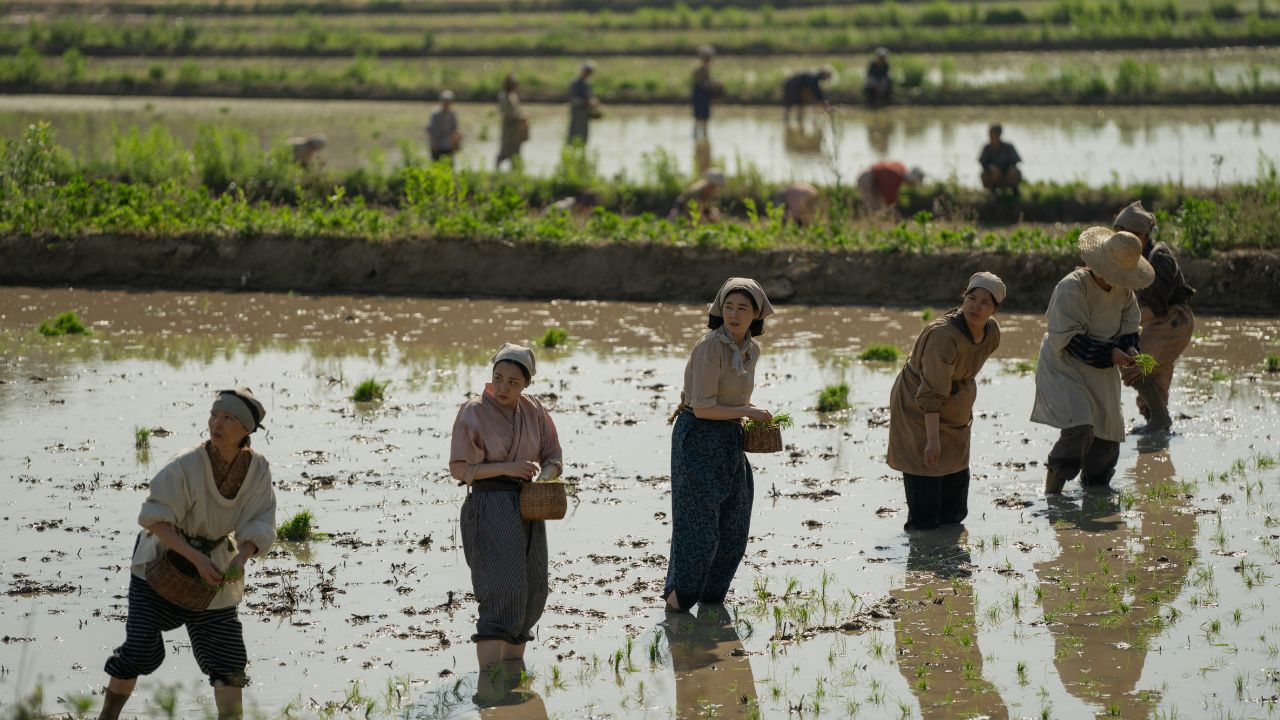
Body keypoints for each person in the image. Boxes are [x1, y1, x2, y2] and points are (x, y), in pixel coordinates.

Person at [97, 388, 276, 720]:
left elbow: (260, 519)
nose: (216, 423)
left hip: (216, 569)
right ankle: (107, 717)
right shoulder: (186, 463)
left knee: (228, 661)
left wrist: (242, 556)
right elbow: (155, 519)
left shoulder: (258, 469)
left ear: (245, 430)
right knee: (137, 652)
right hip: (160, 562)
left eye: (228, 418)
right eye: (214, 415)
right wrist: (195, 558)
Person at [449, 343, 563, 672]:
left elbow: (553, 456)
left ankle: (512, 677)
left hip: (528, 506)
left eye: (513, 382)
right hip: (489, 504)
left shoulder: (534, 410)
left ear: (527, 383)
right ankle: (489, 684)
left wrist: (544, 478)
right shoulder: (472, 411)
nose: (503, 387)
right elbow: (458, 468)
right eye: (498, 378)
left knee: (533, 589)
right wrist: (508, 468)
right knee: (502, 589)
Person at [664, 278, 775, 612]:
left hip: (729, 437)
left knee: (734, 527)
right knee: (698, 529)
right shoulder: (712, 346)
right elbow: (702, 407)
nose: (734, 314)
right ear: (719, 309)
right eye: (728, 307)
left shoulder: (751, 349)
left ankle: (711, 601)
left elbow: (736, 398)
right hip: (697, 437)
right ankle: (678, 607)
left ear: (756, 314)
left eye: (743, 308)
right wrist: (748, 411)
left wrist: (749, 414)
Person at [1031, 227, 1154, 494]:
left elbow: (1129, 329)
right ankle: (1052, 495)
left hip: (1102, 366)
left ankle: (1095, 491)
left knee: (1107, 437)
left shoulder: (1124, 292)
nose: (1114, 279)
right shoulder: (1071, 288)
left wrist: (1131, 351)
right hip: (1065, 364)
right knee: (1080, 428)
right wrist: (1111, 353)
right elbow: (1069, 339)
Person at [887, 272, 1004, 531]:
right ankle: (922, 551)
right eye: (972, 298)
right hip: (919, 402)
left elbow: (968, 368)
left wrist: (959, 395)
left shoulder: (992, 332)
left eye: (985, 302)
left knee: (954, 498)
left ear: (995, 309)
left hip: (955, 403)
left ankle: (948, 546)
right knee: (925, 468)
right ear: (964, 298)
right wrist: (932, 439)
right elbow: (930, 392)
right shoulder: (943, 336)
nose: (976, 306)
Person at [1113, 201, 1196, 434]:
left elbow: (1154, 307)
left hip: (1172, 321)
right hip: (1156, 322)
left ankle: (1160, 420)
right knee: (1154, 375)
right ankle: (1156, 424)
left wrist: (1118, 329)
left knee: (1133, 365)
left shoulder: (1159, 258)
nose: (1120, 241)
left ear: (1141, 235)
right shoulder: (1132, 258)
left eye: (1125, 236)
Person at [856, 161, 925, 212]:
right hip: (866, 180)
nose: (912, 186)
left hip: (871, 178)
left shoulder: (900, 170)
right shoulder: (896, 177)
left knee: (878, 205)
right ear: (911, 180)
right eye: (913, 184)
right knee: (875, 207)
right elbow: (889, 199)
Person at [979, 123, 1022, 195]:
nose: (990, 137)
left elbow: (1015, 161)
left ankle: (1014, 191)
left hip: (1006, 175)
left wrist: (1003, 170)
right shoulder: (987, 147)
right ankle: (991, 192)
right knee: (983, 174)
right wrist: (990, 168)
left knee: (1014, 171)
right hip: (993, 176)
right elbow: (982, 162)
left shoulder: (1008, 147)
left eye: (992, 135)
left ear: (999, 135)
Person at [496, 74, 529, 170]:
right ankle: (497, 170)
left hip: (515, 130)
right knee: (505, 151)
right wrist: (519, 117)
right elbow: (507, 113)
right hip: (508, 129)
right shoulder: (504, 96)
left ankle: (516, 172)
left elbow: (516, 111)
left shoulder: (513, 96)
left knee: (515, 152)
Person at [691, 45, 721, 140]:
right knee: (699, 117)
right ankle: (699, 137)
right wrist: (714, 84)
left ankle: (703, 137)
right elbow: (702, 83)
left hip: (704, 94)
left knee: (704, 117)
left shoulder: (705, 68)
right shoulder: (698, 68)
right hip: (700, 94)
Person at [567, 61, 598, 145]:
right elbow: (573, 99)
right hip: (577, 112)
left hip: (585, 113)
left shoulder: (587, 84)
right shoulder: (575, 83)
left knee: (584, 136)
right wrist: (586, 102)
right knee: (574, 134)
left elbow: (589, 96)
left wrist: (593, 101)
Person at [427, 90, 461, 163]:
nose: (446, 103)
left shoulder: (452, 115)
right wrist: (433, 144)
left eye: (448, 101)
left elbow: (455, 130)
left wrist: (457, 142)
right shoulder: (435, 114)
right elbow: (431, 131)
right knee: (436, 166)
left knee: (449, 167)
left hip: (448, 146)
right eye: (445, 101)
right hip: (437, 145)